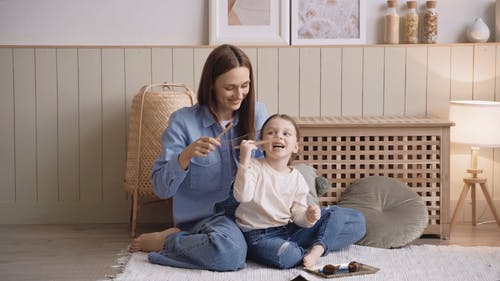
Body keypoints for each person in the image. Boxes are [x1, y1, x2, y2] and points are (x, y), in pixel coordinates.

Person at [128, 44, 269, 271]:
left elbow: (269, 169)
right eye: (230, 88)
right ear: (211, 85)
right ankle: (168, 241)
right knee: (231, 253)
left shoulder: (257, 113)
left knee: (340, 223)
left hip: (255, 214)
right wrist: (184, 156)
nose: (240, 95)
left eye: (245, 85)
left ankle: (226, 243)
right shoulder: (183, 122)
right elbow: (161, 188)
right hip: (210, 218)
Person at [233, 114, 366, 269]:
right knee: (289, 257)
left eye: (286, 133)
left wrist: (308, 217)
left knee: (355, 220)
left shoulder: (296, 177)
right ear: (262, 144)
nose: (278, 136)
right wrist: (244, 160)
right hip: (258, 236)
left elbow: (298, 216)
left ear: (295, 146)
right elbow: (242, 196)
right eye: (271, 133)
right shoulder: (254, 167)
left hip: (289, 230)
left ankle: (318, 248)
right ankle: (307, 245)